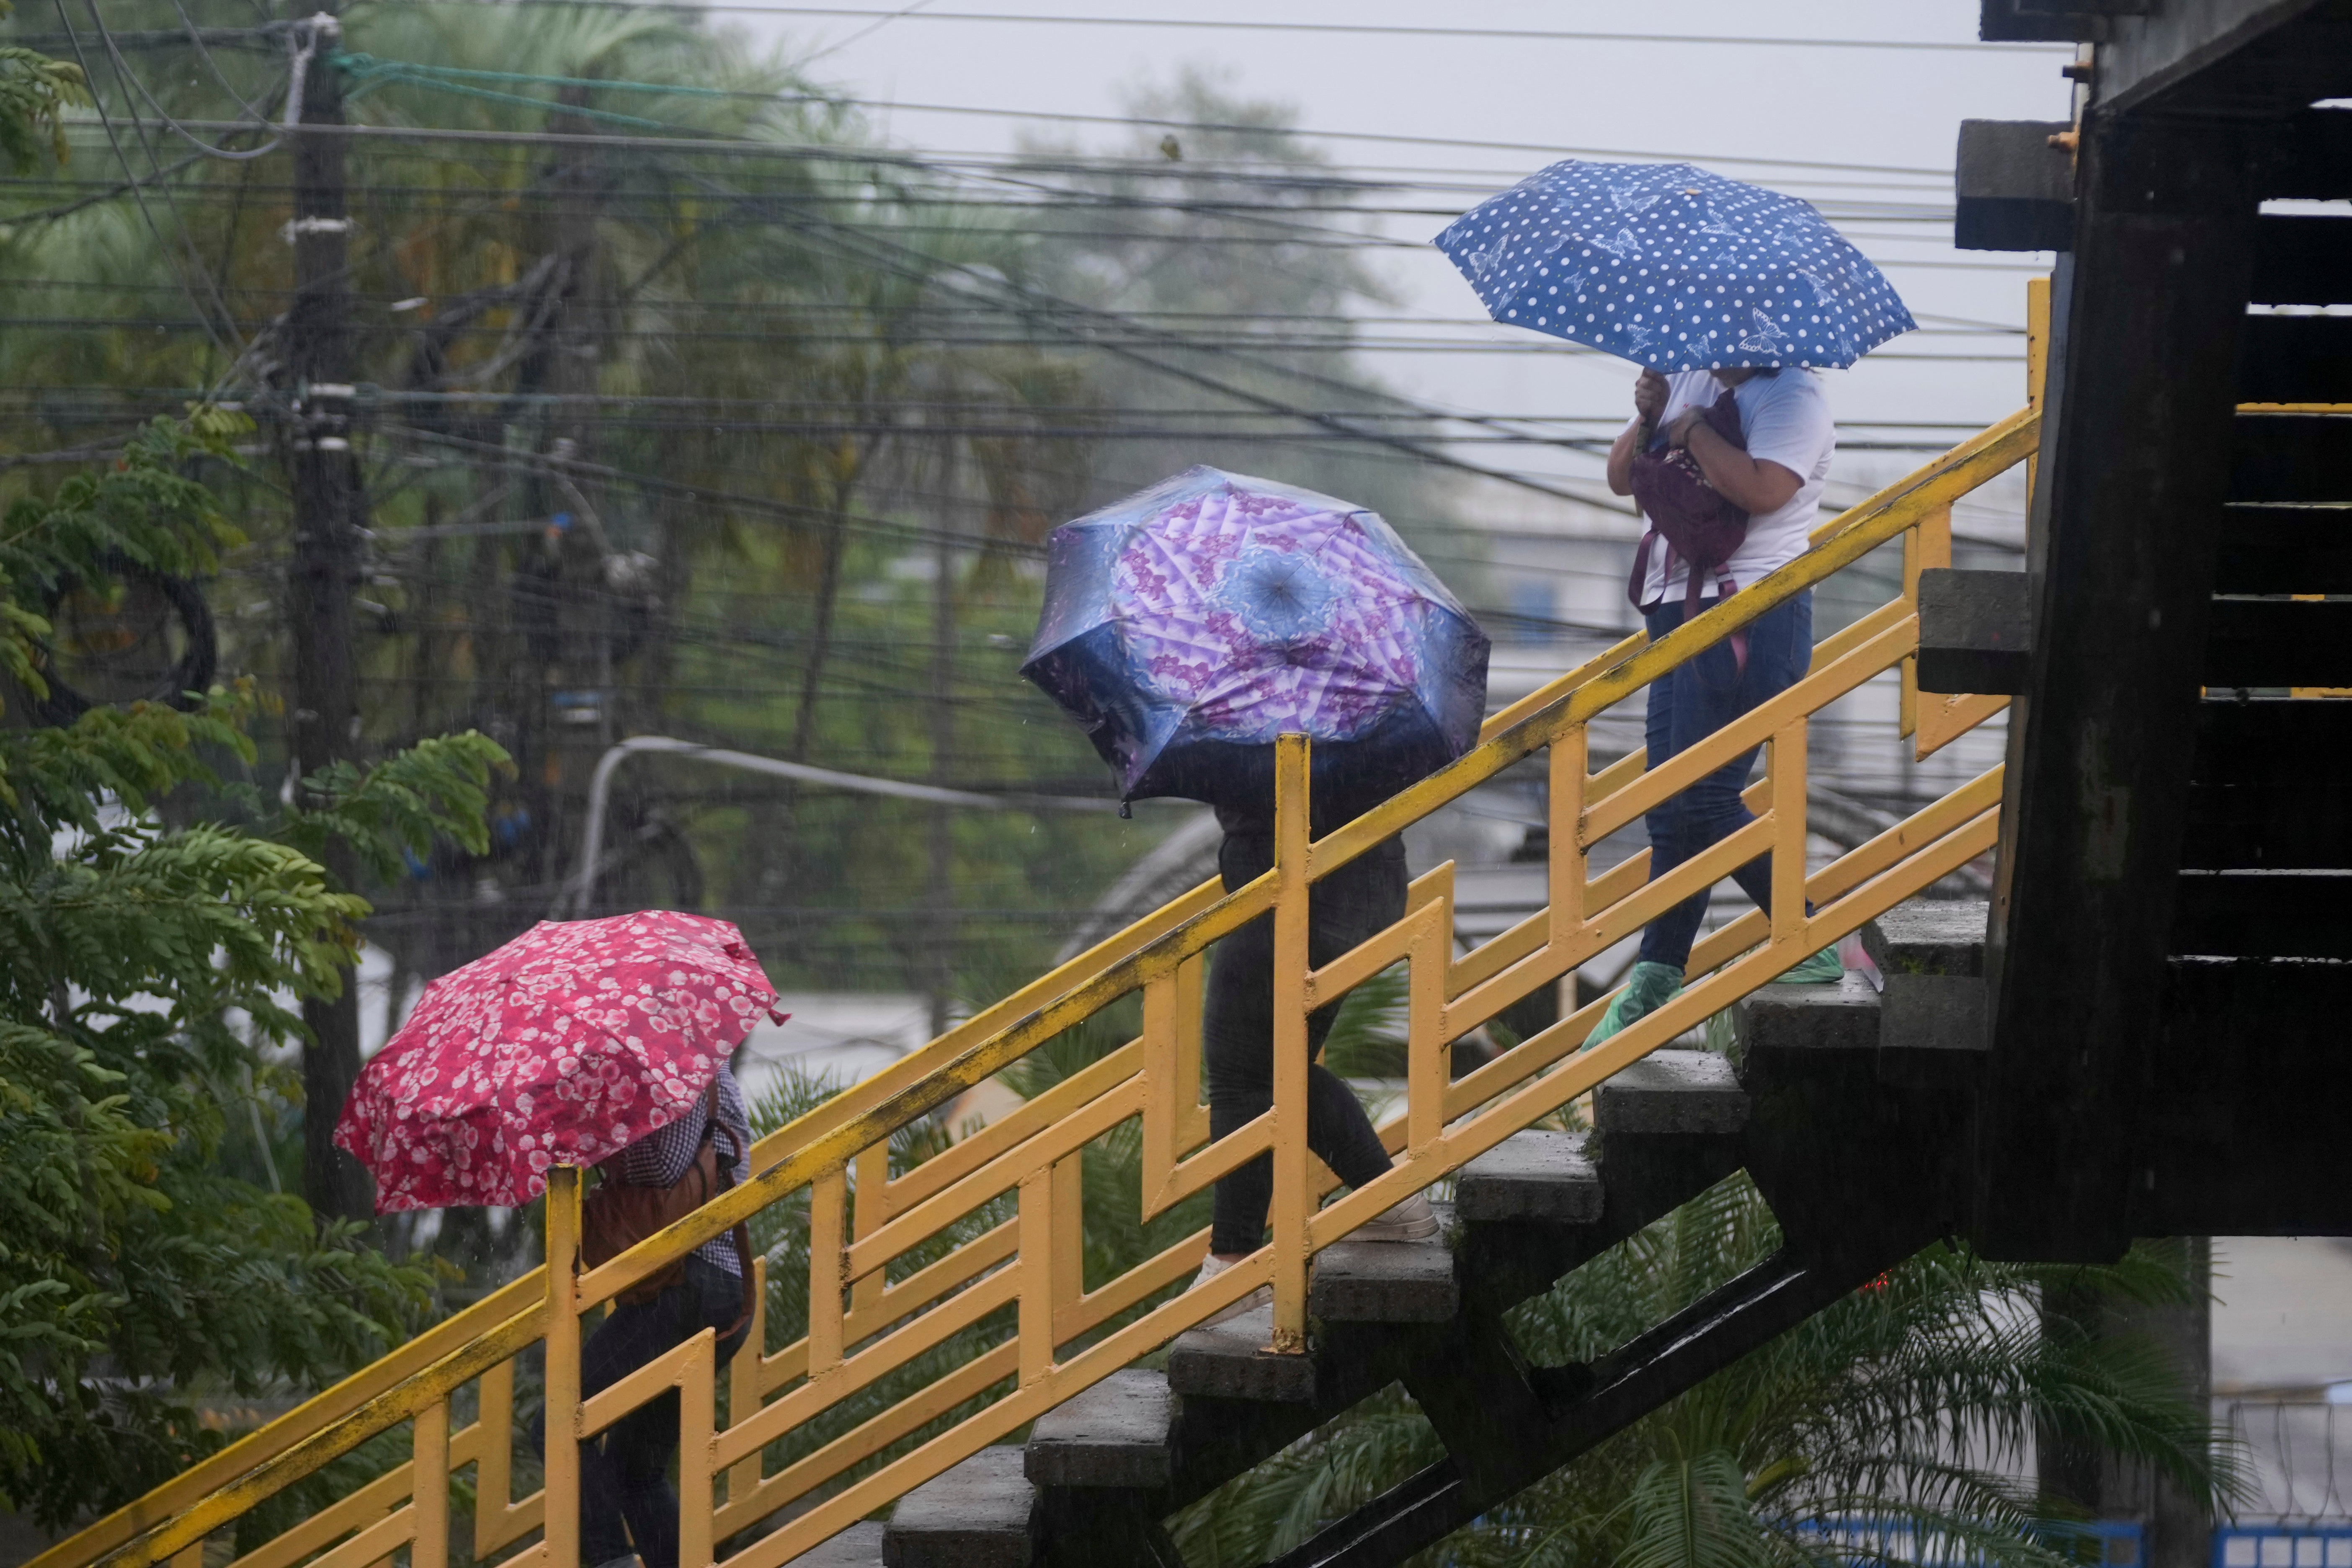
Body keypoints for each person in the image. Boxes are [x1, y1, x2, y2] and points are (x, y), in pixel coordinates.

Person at [1591, 364, 1844, 1044]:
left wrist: (1695, 430)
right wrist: (1650, 414)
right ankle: (1653, 979)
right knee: (1669, 804)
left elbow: (1765, 489)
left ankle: (1808, 930)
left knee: (1703, 797)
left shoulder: (1793, 394)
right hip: (1674, 612)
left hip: (1750, 612)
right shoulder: (1689, 378)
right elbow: (1622, 478)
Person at [1185, 774, 1439, 1326]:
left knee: (1239, 1066)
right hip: (1354, 875)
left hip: (1310, 881)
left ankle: (1234, 1261)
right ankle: (1390, 1204)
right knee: (1271, 1067)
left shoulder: (1272, 696)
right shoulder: (1331, 694)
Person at [556, 1065, 754, 1568]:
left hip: (692, 1286)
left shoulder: (687, 1072)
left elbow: (666, 1168)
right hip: (684, 1286)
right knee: (634, 1468)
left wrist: (594, 1137)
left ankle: (608, 1560)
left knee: (557, 1420)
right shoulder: (657, 1075)